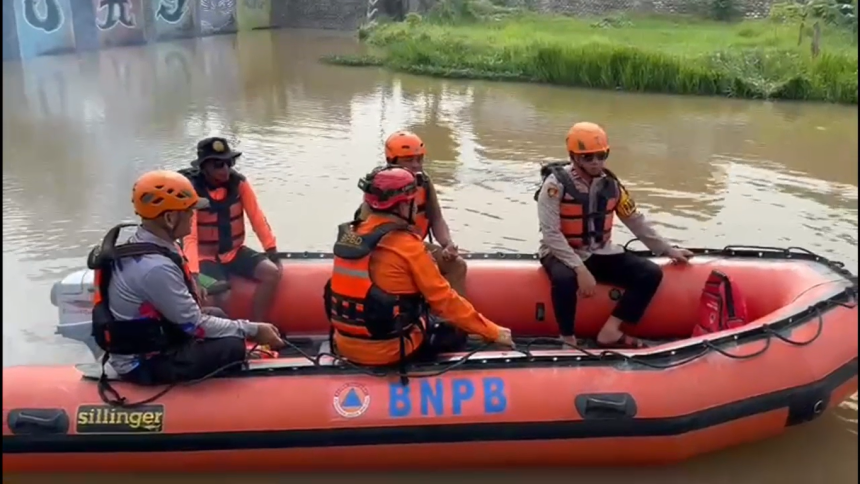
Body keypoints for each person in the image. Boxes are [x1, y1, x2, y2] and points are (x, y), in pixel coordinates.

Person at [87, 170, 285, 387]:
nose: (193, 217)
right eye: (189, 212)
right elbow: (195, 324)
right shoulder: (155, 269)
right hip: (143, 362)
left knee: (218, 314)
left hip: (159, 334)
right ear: (170, 218)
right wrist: (255, 330)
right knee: (232, 346)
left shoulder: (148, 241)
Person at [325, 166, 514, 367]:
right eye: (413, 202)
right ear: (402, 206)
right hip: (390, 350)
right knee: (453, 332)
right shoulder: (408, 247)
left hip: (343, 345)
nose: (416, 207)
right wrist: (493, 331)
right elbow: (445, 301)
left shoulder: (350, 235)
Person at [535, 122, 694, 349]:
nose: (596, 162)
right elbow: (550, 233)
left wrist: (668, 249)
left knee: (649, 273)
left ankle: (610, 331)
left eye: (601, 155)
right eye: (589, 157)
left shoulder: (612, 185)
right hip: (560, 251)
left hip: (598, 250)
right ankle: (567, 338)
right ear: (574, 158)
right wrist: (580, 269)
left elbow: (634, 220)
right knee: (564, 279)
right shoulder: (554, 185)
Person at [180, 137, 281, 322]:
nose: (226, 169)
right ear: (204, 167)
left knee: (272, 272)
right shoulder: (192, 191)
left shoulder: (239, 184)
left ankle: (258, 327)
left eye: (229, 162)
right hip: (204, 258)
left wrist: (271, 250)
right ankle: (224, 336)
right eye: (218, 165)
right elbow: (190, 237)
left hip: (234, 253)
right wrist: (193, 273)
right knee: (221, 293)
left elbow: (257, 218)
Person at [355, 131, 468, 298]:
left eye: (419, 159)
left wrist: (447, 244)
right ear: (391, 161)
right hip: (386, 249)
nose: (416, 165)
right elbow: (366, 229)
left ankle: (448, 320)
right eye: (408, 160)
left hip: (415, 247)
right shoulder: (379, 185)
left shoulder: (424, 182)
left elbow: (436, 218)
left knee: (457, 265)